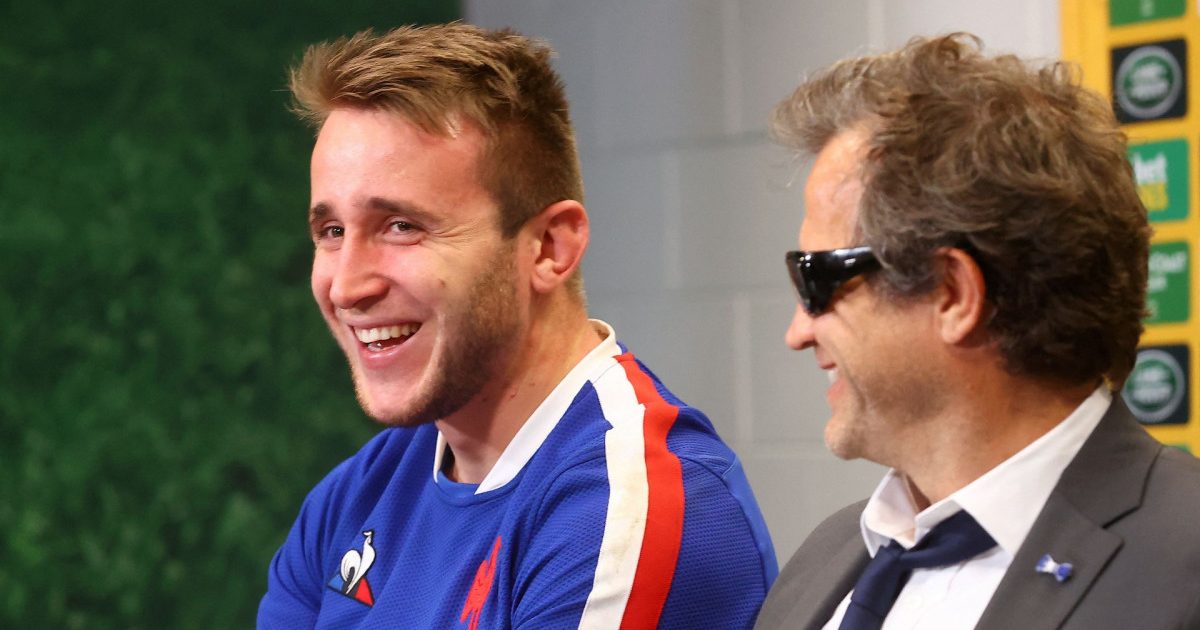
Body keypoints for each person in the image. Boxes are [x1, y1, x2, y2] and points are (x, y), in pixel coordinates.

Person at [257, 23, 777, 629]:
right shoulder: (358, 494)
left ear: (550, 248)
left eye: (402, 226)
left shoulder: (623, 510)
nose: (347, 285)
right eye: (332, 232)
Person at [754, 33, 1200, 630]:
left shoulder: (1182, 562)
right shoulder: (827, 560)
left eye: (817, 278)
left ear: (953, 294)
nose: (797, 332)